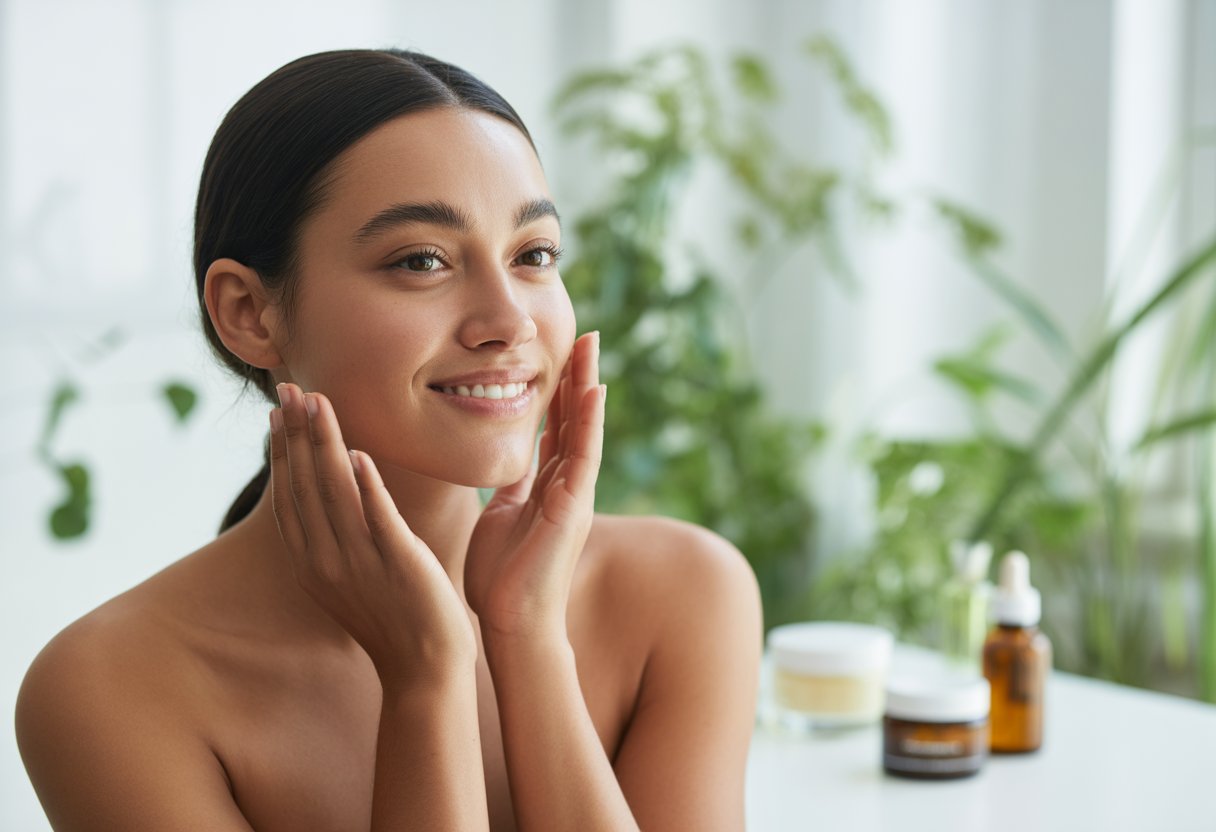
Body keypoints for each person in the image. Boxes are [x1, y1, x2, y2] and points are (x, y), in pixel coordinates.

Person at [15, 49, 761, 831]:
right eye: (421, 261)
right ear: (248, 312)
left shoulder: (686, 596)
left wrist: (528, 640)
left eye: (533, 255)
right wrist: (425, 680)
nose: (509, 322)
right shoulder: (110, 688)